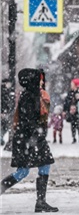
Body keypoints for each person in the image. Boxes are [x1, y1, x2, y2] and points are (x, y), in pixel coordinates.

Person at [0, 68, 58, 213]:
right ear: (33, 80)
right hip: (28, 139)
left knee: (41, 166)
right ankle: (40, 201)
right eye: (40, 78)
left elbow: (40, 118)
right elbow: (28, 120)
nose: (42, 81)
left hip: (31, 138)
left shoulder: (36, 95)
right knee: (24, 172)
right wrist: (37, 133)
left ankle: (41, 202)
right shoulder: (29, 96)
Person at [1, 78, 12, 146]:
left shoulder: (5, 91)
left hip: (5, 111)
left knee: (5, 126)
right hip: (4, 112)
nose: (9, 85)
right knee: (5, 126)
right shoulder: (4, 91)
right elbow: (4, 102)